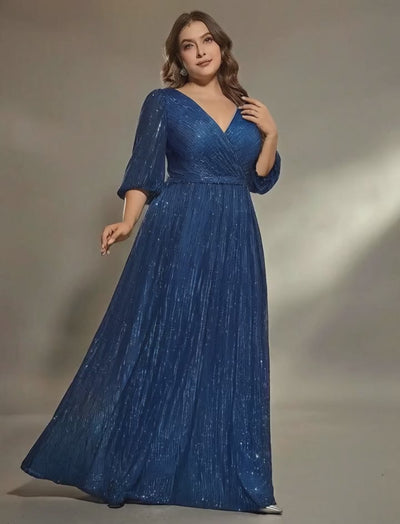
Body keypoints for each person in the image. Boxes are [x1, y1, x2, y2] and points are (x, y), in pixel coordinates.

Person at [20, 10, 282, 515]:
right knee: (169, 338)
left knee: (231, 343)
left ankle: (241, 482)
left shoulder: (247, 107)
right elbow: (144, 168)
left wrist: (270, 134)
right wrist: (127, 221)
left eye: (207, 40)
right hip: (179, 227)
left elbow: (258, 179)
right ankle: (132, 464)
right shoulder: (163, 103)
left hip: (235, 232)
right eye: (188, 45)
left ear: (221, 45)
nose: (201, 51)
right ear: (178, 56)